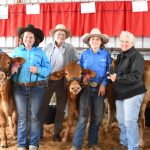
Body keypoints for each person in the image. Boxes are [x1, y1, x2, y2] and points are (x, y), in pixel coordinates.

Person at [11, 24, 51, 150]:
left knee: (34, 115)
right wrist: (12, 70)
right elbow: (8, 69)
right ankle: (22, 144)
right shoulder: (16, 52)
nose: (29, 39)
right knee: (22, 116)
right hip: (19, 88)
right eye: (26, 37)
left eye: (31, 37)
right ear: (22, 38)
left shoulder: (40, 52)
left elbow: (48, 69)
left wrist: (38, 70)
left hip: (36, 88)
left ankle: (33, 143)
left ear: (35, 40)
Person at [70, 28, 112, 150]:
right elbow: (79, 71)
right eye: (92, 39)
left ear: (101, 41)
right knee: (83, 117)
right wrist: (82, 78)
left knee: (97, 117)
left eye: (97, 39)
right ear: (89, 41)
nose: (95, 41)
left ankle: (92, 143)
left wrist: (104, 84)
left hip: (99, 89)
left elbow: (108, 71)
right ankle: (76, 145)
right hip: (86, 89)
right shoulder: (84, 54)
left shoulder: (105, 54)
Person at [108, 31, 146, 150]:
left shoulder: (137, 56)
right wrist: (111, 74)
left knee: (130, 122)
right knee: (122, 120)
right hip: (121, 94)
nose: (124, 43)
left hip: (133, 92)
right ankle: (124, 144)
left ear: (132, 43)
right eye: (122, 41)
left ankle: (133, 147)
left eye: (126, 42)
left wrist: (117, 78)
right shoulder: (121, 56)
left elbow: (137, 76)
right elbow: (118, 73)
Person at [41, 24, 79, 141]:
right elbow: (41, 62)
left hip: (63, 80)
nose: (61, 36)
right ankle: (39, 132)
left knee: (61, 107)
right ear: (54, 35)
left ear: (66, 36)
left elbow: (77, 62)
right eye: (59, 34)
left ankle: (56, 133)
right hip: (48, 78)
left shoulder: (70, 48)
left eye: (63, 34)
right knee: (42, 105)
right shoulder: (47, 47)